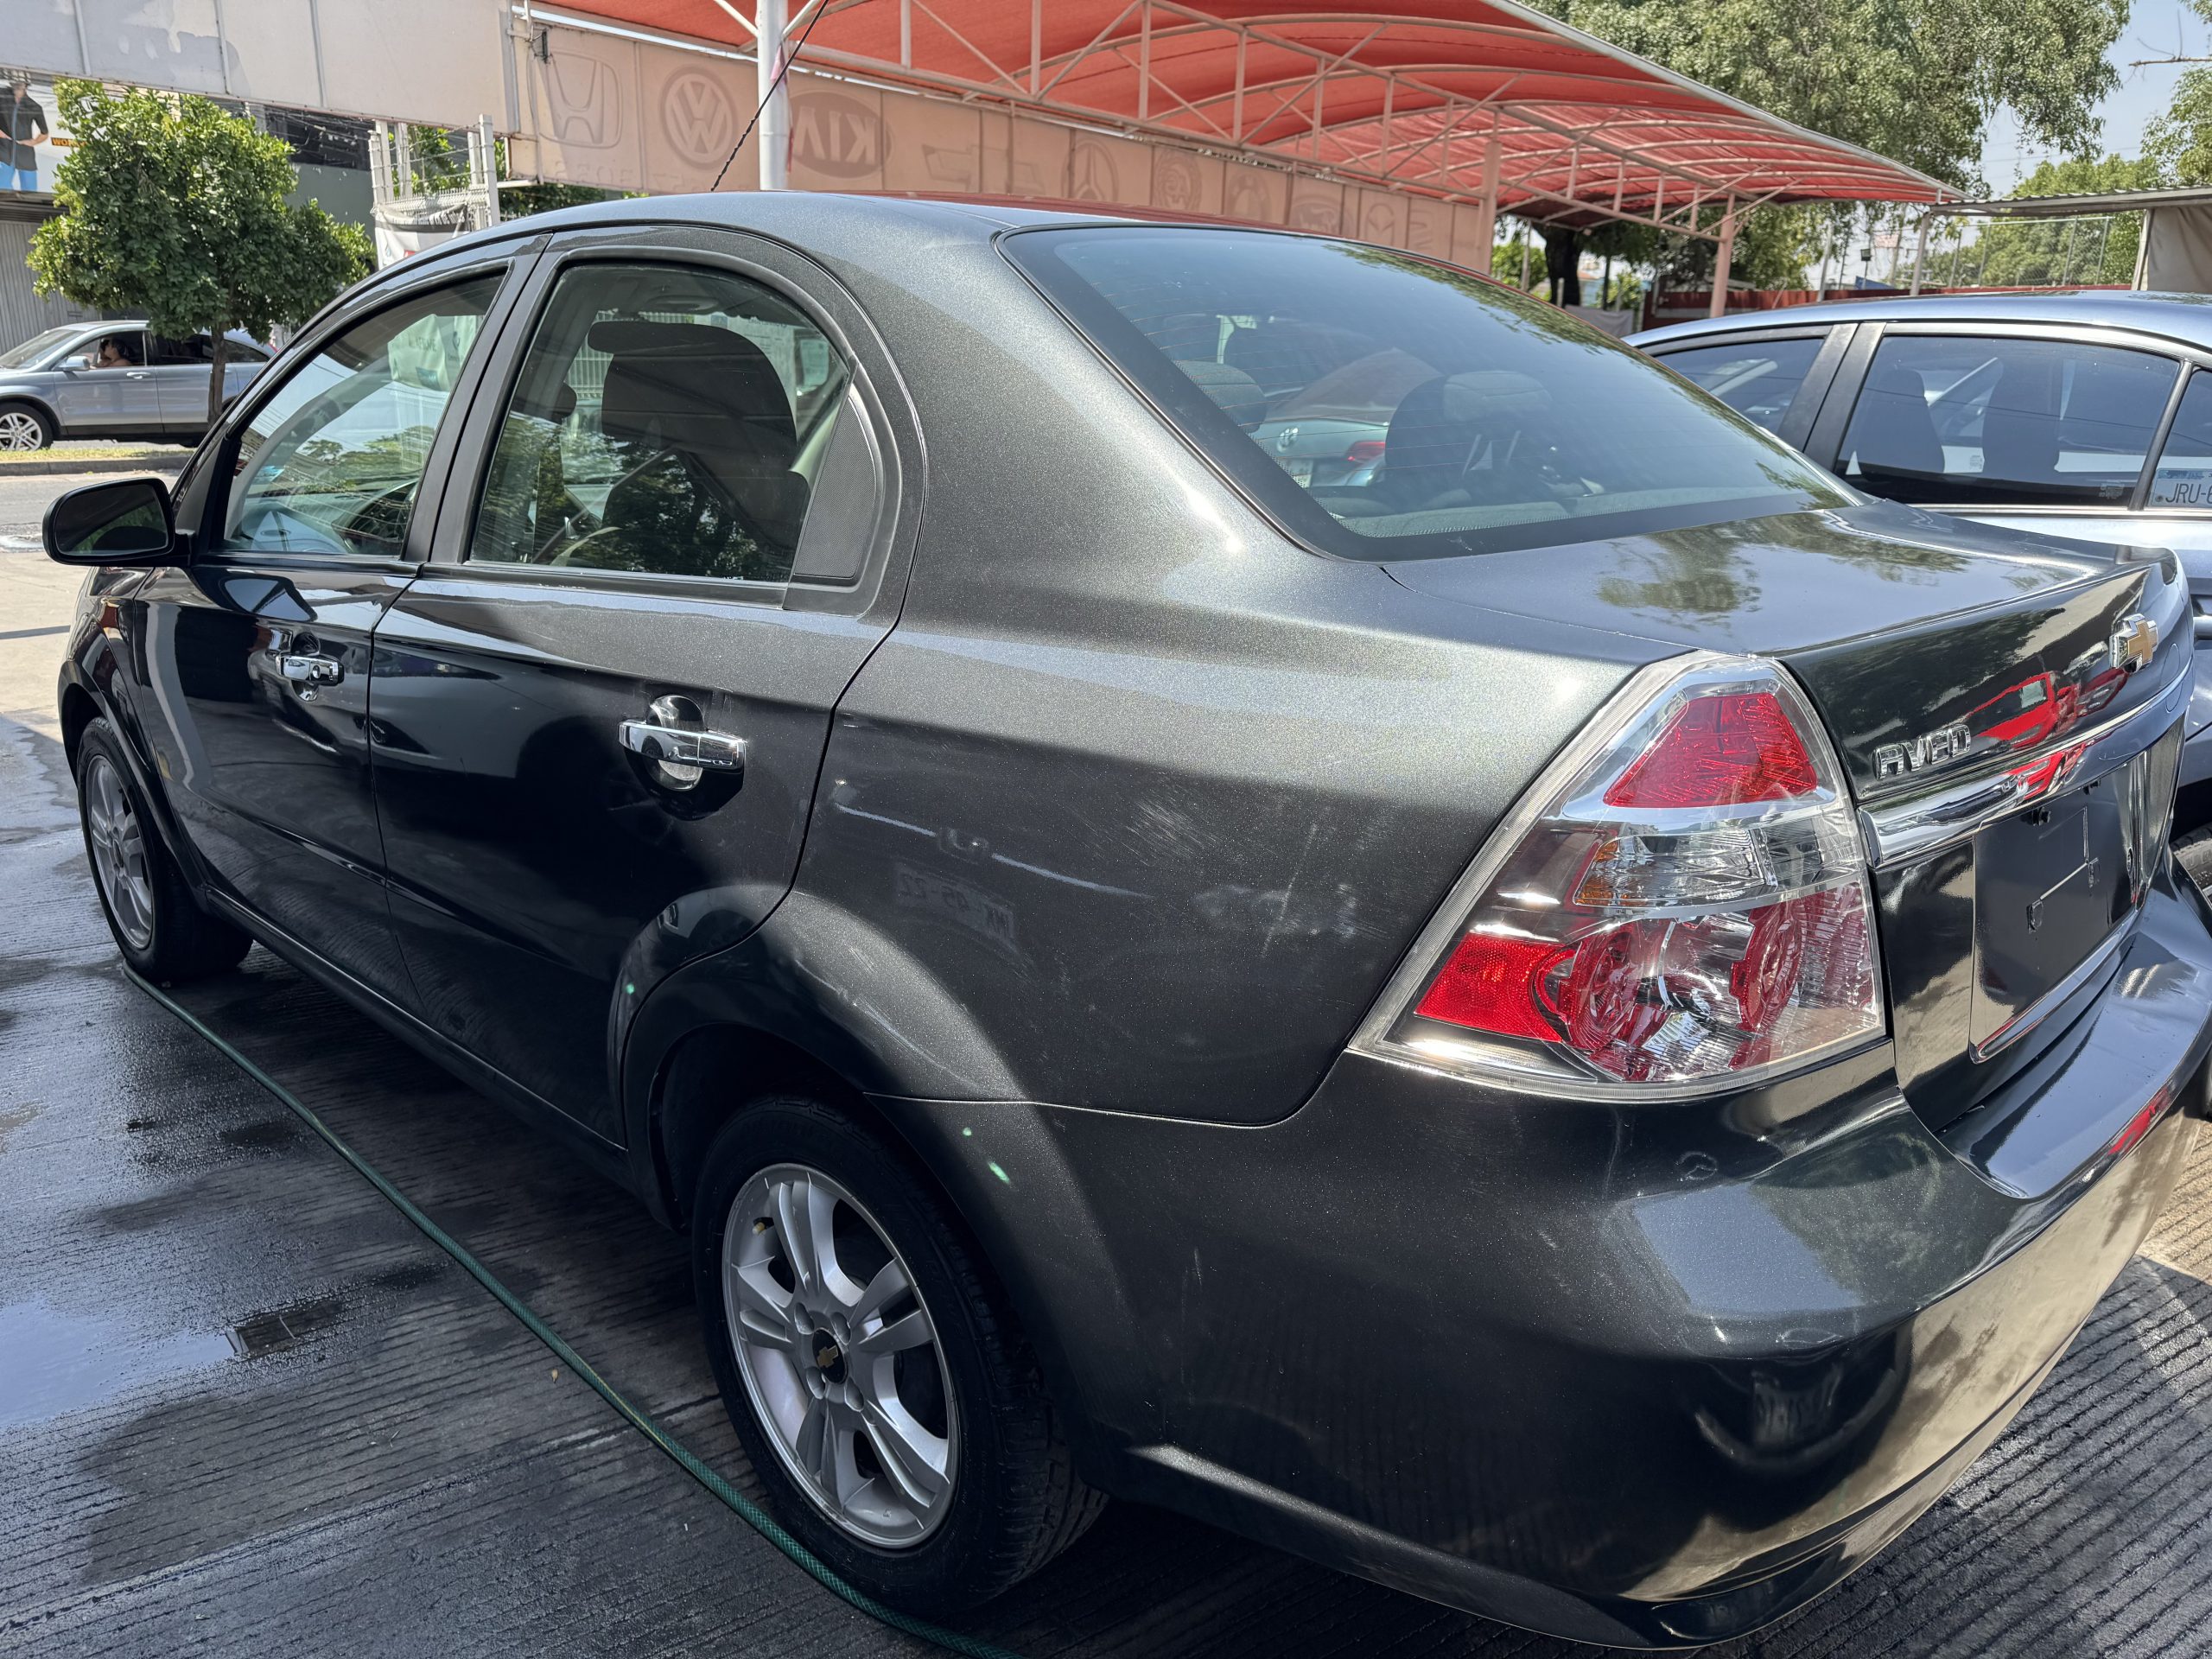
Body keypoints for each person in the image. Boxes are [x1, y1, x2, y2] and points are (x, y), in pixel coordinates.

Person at [1, 77, 48, 193]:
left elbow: (45, 133)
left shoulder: (34, 107)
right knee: (2, 187)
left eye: (21, 81)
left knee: (30, 192)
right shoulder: (2, 96)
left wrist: (33, 142)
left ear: (26, 84)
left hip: (25, 153)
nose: (17, 84)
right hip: (4, 150)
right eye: (15, 80)